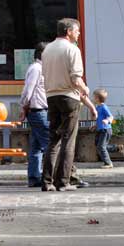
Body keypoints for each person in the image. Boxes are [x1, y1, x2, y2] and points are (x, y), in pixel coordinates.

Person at [41, 18, 89, 192]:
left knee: (53, 140)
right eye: (77, 31)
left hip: (51, 96)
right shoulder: (72, 49)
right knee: (68, 140)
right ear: (68, 31)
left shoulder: (46, 50)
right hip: (69, 97)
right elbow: (76, 79)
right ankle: (63, 181)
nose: (78, 35)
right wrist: (86, 88)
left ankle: (46, 182)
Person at [19, 42, 49, 188]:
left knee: (36, 146)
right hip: (38, 111)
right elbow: (28, 90)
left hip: (39, 111)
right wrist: (23, 107)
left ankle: (34, 177)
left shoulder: (42, 68)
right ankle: (52, 176)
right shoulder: (36, 68)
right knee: (49, 143)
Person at [93, 88, 123, 169]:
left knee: (101, 146)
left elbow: (111, 117)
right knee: (99, 145)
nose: (93, 98)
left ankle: (108, 163)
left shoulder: (104, 107)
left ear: (97, 98)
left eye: (94, 97)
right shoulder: (98, 107)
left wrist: (107, 120)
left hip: (106, 130)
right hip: (100, 129)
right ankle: (117, 148)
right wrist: (95, 126)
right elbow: (99, 119)